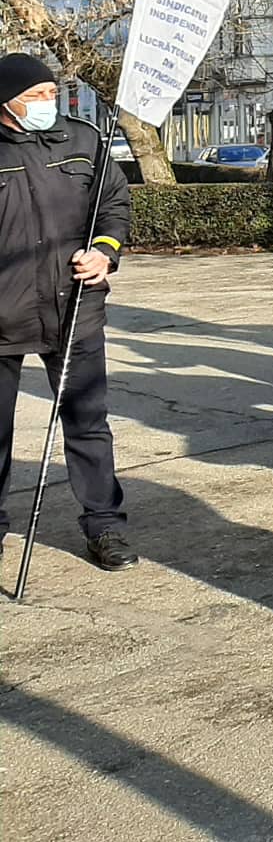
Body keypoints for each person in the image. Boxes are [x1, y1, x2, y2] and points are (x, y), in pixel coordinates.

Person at [0, 54, 137, 572]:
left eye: (51, 94)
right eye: (36, 96)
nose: (47, 104)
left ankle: (105, 526)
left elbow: (114, 205)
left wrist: (104, 250)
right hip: (3, 316)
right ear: (6, 104)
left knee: (88, 423)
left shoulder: (82, 140)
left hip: (74, 308)